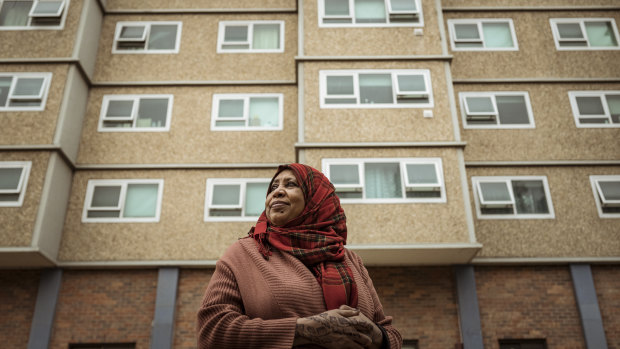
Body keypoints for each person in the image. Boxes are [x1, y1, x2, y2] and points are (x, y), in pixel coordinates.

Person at [197, 163, 402, 348]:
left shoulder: (348, 259)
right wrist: (306, 329)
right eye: (273, 187)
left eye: (291, 184)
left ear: (317, 198)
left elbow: (390, 333)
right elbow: (212, 329)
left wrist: (376, 335)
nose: (277, 192)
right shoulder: (244, 253)